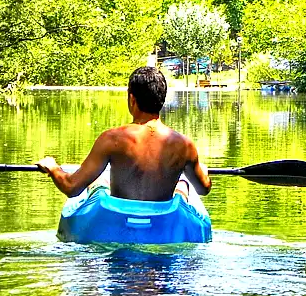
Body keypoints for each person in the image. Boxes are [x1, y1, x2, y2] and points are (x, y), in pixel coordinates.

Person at [35, 66, 210, 201]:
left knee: (97, 182)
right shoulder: (185, 146)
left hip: (119, 220)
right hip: (161, 223)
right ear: (162, 100)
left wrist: (53, 167)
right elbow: (203, 189)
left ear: (132, 99)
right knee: (183, 182)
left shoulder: (112, 140)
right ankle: (182, 184)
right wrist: (203, 171)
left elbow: (71, 187)